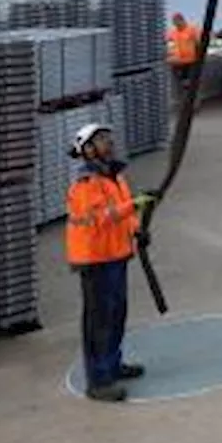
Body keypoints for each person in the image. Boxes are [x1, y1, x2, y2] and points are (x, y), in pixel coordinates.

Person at [65, 123, 155, 402]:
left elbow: (124, 213)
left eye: (108, 138)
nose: (109, 143)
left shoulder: (115, 176)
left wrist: (137, 228)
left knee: (117, 313)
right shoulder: (86, 184)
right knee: (99, 321)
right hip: (95, 259)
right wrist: (134, 206)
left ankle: (113, 364)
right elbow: (101, 217)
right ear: (88, 150)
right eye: (102, 140)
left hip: (115, 254)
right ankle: (98, 381)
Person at [165, 13, 200, 102]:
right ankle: (183, 103)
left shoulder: (192, 30)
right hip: (177, 62)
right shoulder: (173, 32)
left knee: (190, 84)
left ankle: (193, 103)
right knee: (181, 85)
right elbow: (168, 44)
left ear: (182, 20)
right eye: (174, 23)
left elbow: (198, 43)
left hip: (190, 61)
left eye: (177, 22)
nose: (176, 25)